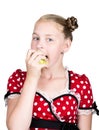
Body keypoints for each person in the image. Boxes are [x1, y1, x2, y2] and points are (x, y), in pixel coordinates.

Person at [4, 14, 99, 130]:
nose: (39, 45)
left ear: (66, 45)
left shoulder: (80, 84)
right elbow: (15, 128)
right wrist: (32, 77)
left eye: (49, 39)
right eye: (36, 38)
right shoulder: (18, 79)